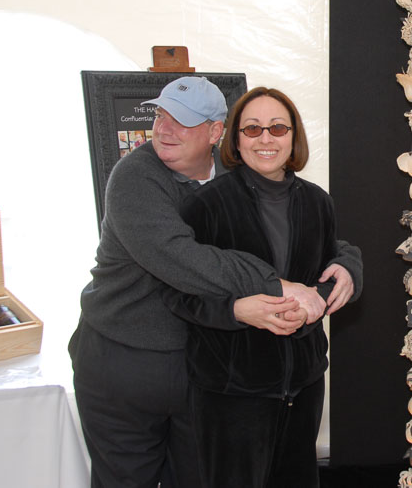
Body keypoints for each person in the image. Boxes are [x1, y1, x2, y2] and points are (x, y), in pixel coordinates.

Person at [69, 76, 361, 488]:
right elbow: (184, 259)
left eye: (182, 121)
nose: (165, 129)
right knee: (126, 478)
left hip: (197, 361)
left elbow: (305, 233)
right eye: (160, 115)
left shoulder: (236, 169)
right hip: (124, 361)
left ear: (215, 133)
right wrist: (276, 285)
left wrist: (347, 262)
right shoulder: (135, 177)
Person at [161, 86, 362, 488]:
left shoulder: (318, 203)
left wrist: (334, 283)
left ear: (293, 136)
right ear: (235, 139)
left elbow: (326, 270)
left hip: (303, 385)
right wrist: (237, 310)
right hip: (231, 392)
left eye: (277, 128)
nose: (266, 139)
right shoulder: (205, 205)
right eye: (252, 129)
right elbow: (176, 293)